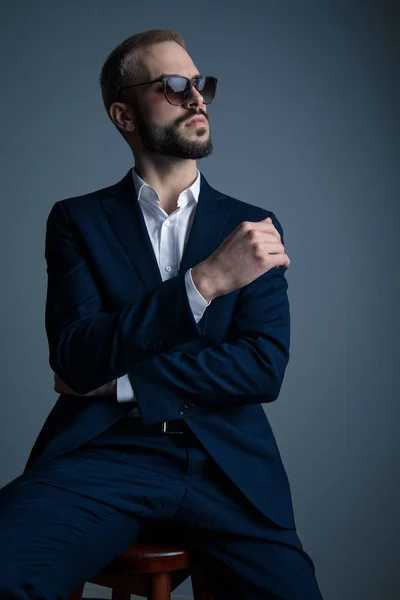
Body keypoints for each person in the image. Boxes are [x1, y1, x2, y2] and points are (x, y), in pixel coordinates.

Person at [0, 29, 323, 599]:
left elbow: (261, 367)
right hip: (106, 455)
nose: (196, 97)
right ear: (124, 115)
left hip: (229, 465)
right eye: (174, 85)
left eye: (200, 84)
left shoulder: (253, 228)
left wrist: (123, 382)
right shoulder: (77, 221)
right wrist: (204, 283)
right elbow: (77, 355)